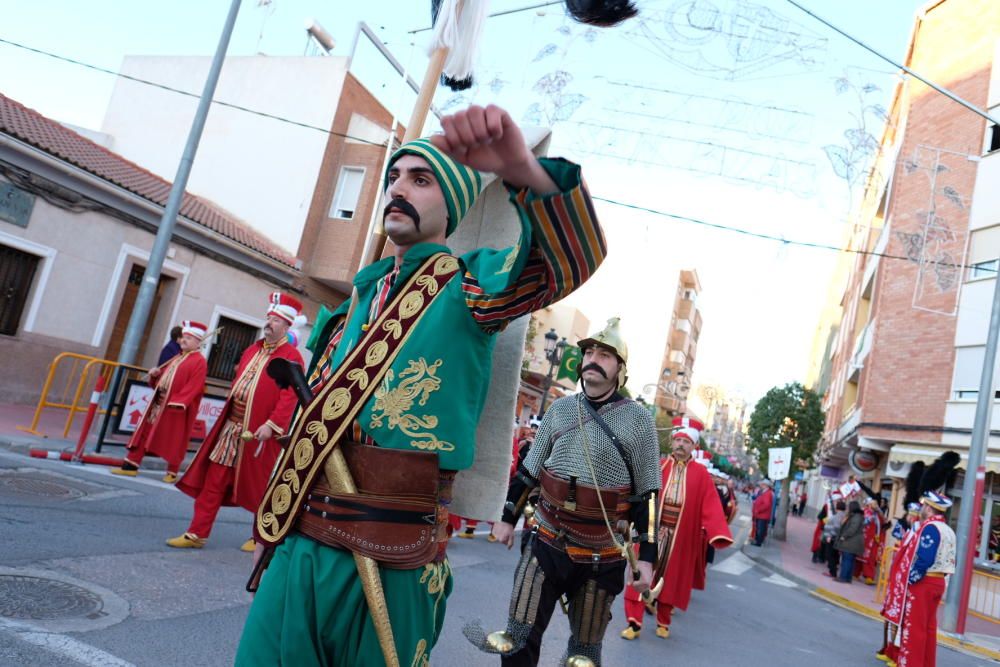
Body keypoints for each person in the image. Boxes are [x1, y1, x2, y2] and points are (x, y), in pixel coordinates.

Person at [237, 104, 607, 667]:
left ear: (453, 203)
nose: (398, 190)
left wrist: (522, 172)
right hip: (301, 543)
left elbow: (564, 264)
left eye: (421, 178)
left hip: (395, 558)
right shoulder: (348, 309)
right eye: (393, 178)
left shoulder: (470, 289)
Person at [478, 318, 658, 666]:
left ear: (620, 369)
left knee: (583, 657)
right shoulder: (560, 409)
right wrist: (505, 518)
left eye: (604, 355)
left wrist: (647, 558)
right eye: (589, 351)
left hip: (602, 554)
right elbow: (529, 471)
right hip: (547, 540)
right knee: (516, 640)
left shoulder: (639, 420)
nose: (593, 358)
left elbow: (647, 493)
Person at [168, 293, 304, 551]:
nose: (269, 323)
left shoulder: (291, 356)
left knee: (259, 485)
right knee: (213, 482)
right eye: (268, 318)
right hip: (232, 427)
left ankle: (260, 536)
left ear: (287, 326)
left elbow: (290, 396)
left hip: (261, 433)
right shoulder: (252, 349)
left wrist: (272, 425)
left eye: (275, 320)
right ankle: (197, 533)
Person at [621, 417, 733, 641]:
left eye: (687, 441)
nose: (681, 445)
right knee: (639, 574)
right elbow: (638, 492)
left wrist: (717, 532)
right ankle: (634, 622)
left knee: (671, 579)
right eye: (678, 440)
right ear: (672, 443)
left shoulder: (701, 474)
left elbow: (711, 505)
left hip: (680, 536)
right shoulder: (658, 466)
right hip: (651, 532)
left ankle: (664, 621)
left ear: (694, 446)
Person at [112, 321, 208, 483]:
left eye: (188, 338)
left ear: (198, 342)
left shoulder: (199, 361)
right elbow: (163, 380)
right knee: (143, 434)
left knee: (175, 439)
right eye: (183, 337)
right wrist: (155, 375)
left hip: (176, 407)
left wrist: (179, 402)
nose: (183, 340)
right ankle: (130, 466)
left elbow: (195, 386)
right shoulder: (177, 357)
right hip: (158, 404)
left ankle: (172, 471)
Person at [883, 492, 956, 667]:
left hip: (924, 582)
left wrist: (910, 580)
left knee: (914, 628)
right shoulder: (948, 530)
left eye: (924, 505)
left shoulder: (930, 528)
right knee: (929, 628)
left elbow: (924, 558)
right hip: (938, 581)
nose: (922, 508)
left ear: (929, 508)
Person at [878, 502, 921, 666]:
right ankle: (888, 649)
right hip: (897, 580)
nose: (909, 517)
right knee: (890, 617)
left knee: (899, 621)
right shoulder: (909, 530)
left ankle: (896, 654)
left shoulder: (918, 532)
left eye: (912, 515)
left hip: (905, 582)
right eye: (909, 514)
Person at [835, 500, 865, 583]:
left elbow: (852, 529)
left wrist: (844, 536)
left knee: (847, 560)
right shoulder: (857, 516)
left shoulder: (856, 517)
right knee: (850, 560)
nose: (848, 508)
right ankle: (848, 578)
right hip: (853, 542)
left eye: (849, 506)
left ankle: (843, 577)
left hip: (851, 542)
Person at [859, 497, 886, 585]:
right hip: (863, 538)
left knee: (870, 559)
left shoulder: (877, 515)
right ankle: (855, 573)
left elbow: (882, 523)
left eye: (875, 504)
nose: (874, 506)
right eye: (872, 504)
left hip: (872, 540)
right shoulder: (863, 512)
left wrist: (879, 511)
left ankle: (869, 576)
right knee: (859, 558)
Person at [822, 500, 846, 578]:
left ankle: (832, 572)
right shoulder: (843, 515)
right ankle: (833, 571)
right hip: (836, 538)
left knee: (830, 555)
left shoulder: (839, 515)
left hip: (832, 538)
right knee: (834, 555)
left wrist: (830, 536)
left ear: (838, 507)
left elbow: (836, 527)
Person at [752, 479, 775, 546]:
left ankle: (758, 542)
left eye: (762, 484)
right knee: (759, 528)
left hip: (762, 515)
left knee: (760, 529)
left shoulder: (767, 493)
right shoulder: (764, 492)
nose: (761, 485)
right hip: (760, 514)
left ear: (766, 485)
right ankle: (757, 541)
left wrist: (758, 510)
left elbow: (766, 504)